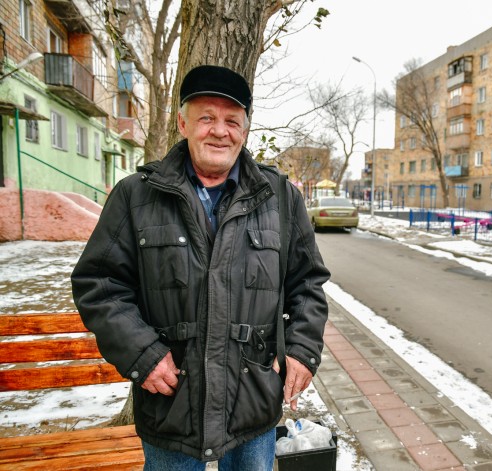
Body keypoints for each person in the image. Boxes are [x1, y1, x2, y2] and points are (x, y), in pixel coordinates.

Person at [71, 65, 330, 470]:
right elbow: (99, 284)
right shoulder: (135, 196)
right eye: (206, 117)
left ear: (245, 130)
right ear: (183, 123)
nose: (219, 131)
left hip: (253, 401)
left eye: (232, 121)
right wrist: (142, 354)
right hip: (172, 404)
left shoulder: (280, 198)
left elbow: (308, 283)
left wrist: (302, 349)